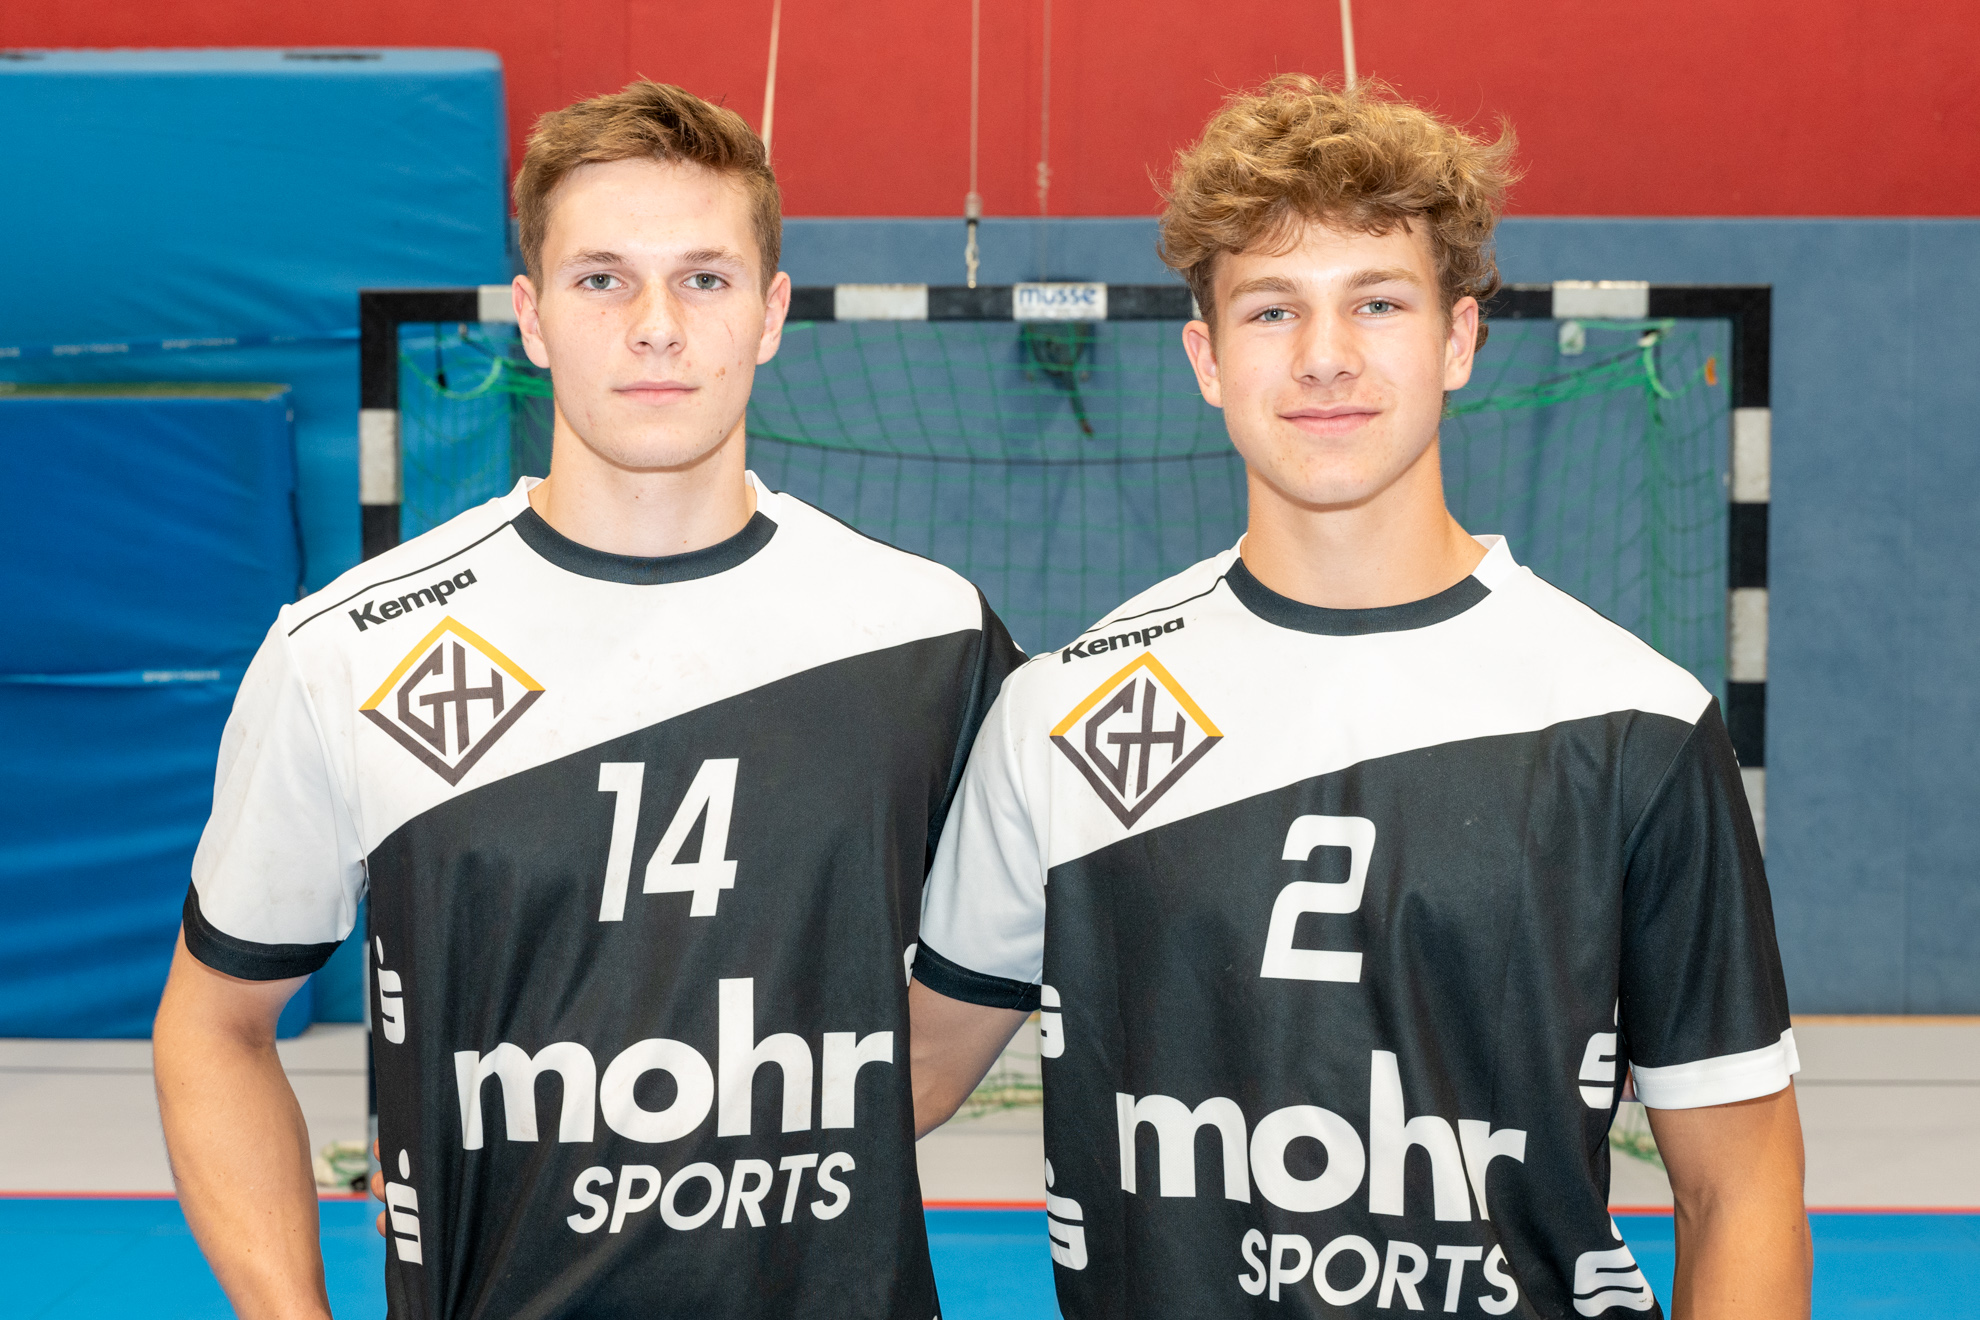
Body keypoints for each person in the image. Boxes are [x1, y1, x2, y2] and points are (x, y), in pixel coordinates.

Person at [909, 75, 1810, 1319]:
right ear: (1206, 358)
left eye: (1377, 302)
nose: (1325, 356)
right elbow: (899, 1078)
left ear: (1459, 339)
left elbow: (1741, 1186)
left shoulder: (1631, 722)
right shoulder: (1068, 716)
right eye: (1272, 309)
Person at [152, 80, 1020, 1319]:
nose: (656, 327)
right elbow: (213, 1026)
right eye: (602, 279)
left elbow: (951, 1031)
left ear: (772, 313)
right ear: (532, 317)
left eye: (705, 278)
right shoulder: (347, 652)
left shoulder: (930, 636)